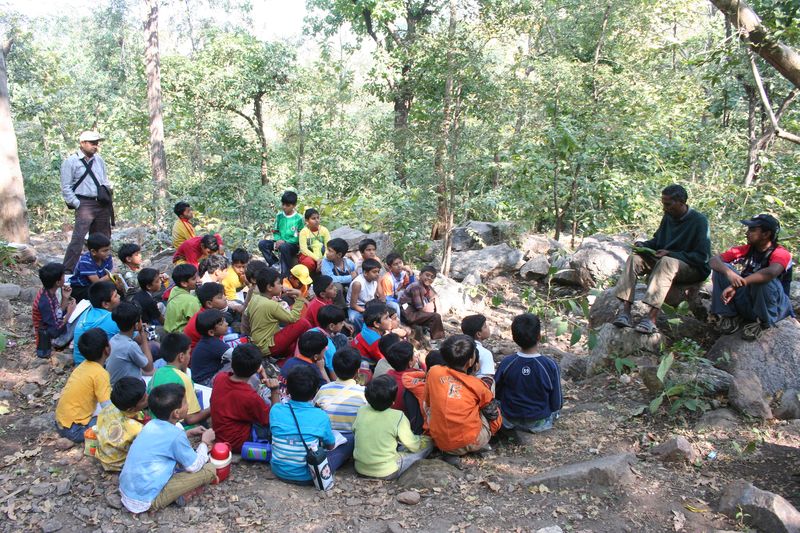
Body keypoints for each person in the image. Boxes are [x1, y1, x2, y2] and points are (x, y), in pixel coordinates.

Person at [612, 184, 711, 334]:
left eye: (668, 204)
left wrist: (671, 254)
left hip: (692, 267)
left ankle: (651, 319)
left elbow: (702, 257)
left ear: (681, 202)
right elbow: (658, 241)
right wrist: (644, 245)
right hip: (668, 260)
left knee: (666, 262)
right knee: (634, 259)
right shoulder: (668, 217)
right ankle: (625, 312)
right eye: (663, 204)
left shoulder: (699, 221)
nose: (665, 208)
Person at [119, 383, 217, 513]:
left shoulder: (150, 425)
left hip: (126, 490)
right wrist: (204, 442)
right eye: (185, 402)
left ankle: (179, 493)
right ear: (176, 413)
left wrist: (187, 433)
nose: (187, 404)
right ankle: (177, 496)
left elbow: (164, 442)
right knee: (210, 469)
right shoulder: (176, 435)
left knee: (178, 463)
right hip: (146, 500)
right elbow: (194, 466)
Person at [709, 214, 794, 340]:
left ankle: (763, 322)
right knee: (721, 269)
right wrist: (730, 274)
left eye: (752, 230)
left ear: (766, 234)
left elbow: (770, 273)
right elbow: (714, 260)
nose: (747, 233)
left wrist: (736, 284)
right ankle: (730, 316)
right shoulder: (746, 249)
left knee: (763, 281)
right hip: (750, 302)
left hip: (774, 307)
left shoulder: (781, 253)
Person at [269, 366, 348, 485]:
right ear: (315, 392)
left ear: (287, 391)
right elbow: (330, 445)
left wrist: (274, 390)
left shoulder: (275, 410)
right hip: (309, 475)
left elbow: (275, 411)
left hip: (279, 471)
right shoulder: (321, 416)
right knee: (348, 442)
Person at [426, 335, 502, 456]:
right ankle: (482, 442)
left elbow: (428, 402)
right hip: (470, 442)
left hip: (441, 441)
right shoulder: (477, 385)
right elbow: (492, 414)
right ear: (471, 361)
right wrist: (493, 430)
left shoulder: (433, 371)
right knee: (488, 394)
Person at [352, 375, 432, 479]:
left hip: (360, 468)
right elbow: (414, 446)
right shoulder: (398, 416)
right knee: (428, 444)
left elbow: (355, 431)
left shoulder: (361, 410)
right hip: (386, 471)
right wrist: (422, 439)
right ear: (393, 401)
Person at [495, 313, 562, 433]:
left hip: (509, 419)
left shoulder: (507, 363)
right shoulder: (550, 365)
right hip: (538, 421)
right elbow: (557, 402)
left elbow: (496, 392)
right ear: (539, 337)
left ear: (514, 338)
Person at [61, 130, 113, 273]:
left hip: (101, 203)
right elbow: (66, 187)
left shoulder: (99, 160)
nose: (95, 146)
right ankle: (67, 271)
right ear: (82, 143)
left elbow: (104, 179)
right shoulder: (71, 161)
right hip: (84, 203)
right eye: (92, 143)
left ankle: (102, 269)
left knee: (102, 239)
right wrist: (77, 203)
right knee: (78, 239)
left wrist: (107, 192)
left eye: (97, 143)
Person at [211, 343, 279, 453]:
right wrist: (275, 391)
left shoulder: (220, 378)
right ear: (257, 369)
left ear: (231, 363)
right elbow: (273, 420)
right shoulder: (249, 396)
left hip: (219, 434)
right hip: (238, 444)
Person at [55, 328, 112, 442]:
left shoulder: (82, 366)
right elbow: (108, 408)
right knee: (111, 422)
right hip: (75, 429)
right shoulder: (100, 374)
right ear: (106, 349)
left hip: (60, 423)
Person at [147, 333, 211, 427]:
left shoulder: (157, 373)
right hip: (179, 428)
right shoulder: (183, 378)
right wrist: (212, 408)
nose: (189, 356)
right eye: (189, 353)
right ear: (181, 356)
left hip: (156, 425)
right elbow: (190, 419)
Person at [245, 268, 310, 359]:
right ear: (269, 287)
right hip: (266, 346)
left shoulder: (255, 298)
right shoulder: (270, 304)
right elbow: (293, 318)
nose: (281, 286)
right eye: (279, 283)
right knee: (303, 323)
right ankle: (303, 355)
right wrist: (299, 297)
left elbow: (247, 314)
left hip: (257, 343)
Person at [95, 377, 148, 472]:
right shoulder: (137, 429)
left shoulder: (109, 408)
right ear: (131, 409)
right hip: (117, 463)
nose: (148, 397)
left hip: (103, 454)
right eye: (144, 399)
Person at [313, 347, 367, 434]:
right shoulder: (364, 393)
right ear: (357, 371)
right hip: (353, 437)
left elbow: (314, 409)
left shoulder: (323, 389)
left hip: (328, 437)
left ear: (334, 369)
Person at [33, 262, 76, 358]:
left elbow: (57, 314)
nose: (65, 278)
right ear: (57, 282)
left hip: (54, 329)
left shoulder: (49, 292)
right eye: (63, 276)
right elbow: (54, 331)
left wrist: (65, 298)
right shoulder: (45, 301)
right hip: (50, 339)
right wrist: (69, 313)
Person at [106, 302, 154, 385]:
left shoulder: (113, 340)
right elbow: (149, 368)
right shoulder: (130, 346)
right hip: (129, 388)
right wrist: (143, 334)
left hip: (116, 385)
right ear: (136, 325)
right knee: (160, 364)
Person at [73, 281, 121, 364]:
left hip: (79, 364)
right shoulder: (113, 319)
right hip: (100, 366)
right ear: (105, 304)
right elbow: (134, 337)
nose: (119, 297)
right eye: (116, 296)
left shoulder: (87, 311)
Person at [259, 191, 304, 277]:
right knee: (262, 244)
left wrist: (284, 241)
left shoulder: (298, 218)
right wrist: (278, 240)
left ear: (294, 205)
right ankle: (275, 264)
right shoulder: (279, 216)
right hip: (279, 242)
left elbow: (298, 236)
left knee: (284, 246)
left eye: (287, 205)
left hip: (292, 245)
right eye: (283, 204)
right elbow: (275, 231)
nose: (284, 207)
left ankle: (285, 273)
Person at [384, 342, 426, 434]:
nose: (416, 356)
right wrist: (423, 363)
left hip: (392, 420)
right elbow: (430, 375)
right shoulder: (415, 376)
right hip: (410, 423)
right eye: (413, 354)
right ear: (410, 362)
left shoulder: (388, 374)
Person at [68, 233, 122, 303]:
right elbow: (97, 283)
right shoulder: (86, 261)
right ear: (93, 252)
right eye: (105, 251)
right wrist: (110, 276)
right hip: (81, 288)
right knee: (103, 295)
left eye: (109, 250)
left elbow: (108, 275)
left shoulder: (107, 257)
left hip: (97, 284)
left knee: (118, 290)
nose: (108, 253)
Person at [399, 265, 445, 341]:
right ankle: (436, 341)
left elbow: (435, 297)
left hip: (414, 312)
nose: (429, 278)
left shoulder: (426, 287)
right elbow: (420, 308)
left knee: (434, 311)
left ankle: (436, 338)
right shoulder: (416, 287)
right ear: (420, 275)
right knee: (435, 316)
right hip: (408, 313)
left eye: (432, 277)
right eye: (427, 275)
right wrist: (432, 309)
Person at [308, 305, 350, 379]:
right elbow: (334, 376)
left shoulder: (310, 331)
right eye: (341, 323)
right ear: (331, 326)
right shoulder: (329, 347)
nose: (343, 324)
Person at [191, 310, 231, 387]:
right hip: (206, 382)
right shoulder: (214, 344)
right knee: (239, 364)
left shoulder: (206, 340)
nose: (226, 324)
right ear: (211, 332)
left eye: (225, 321)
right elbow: (237, 356)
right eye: (221, 324)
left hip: (199, 379)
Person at [183, 282, 227, 351]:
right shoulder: (208, 320)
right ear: (209, 304)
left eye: (224, 295)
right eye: (220, 297)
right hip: (195, 353)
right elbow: (217, 344)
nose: (225, 298)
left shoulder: (206, 313)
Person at [347, 258, 383, 331]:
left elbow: (381, 297)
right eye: (374, 272)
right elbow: (353, 305)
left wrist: (378, 282)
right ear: (365, 273)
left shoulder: (374, 281)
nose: (377, 274)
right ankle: (363, 334)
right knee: (355, 318)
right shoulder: (358, 284)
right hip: (357, 307)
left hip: (369, 305)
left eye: (378, 272)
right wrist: (367, 312)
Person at [352, 303, 393, 368]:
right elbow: (383, 360)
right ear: (376, 324)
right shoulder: (375, 341)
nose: (390, 320)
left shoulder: (367, 325)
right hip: (360, 365)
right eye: (386, 318)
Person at [460, 314, 496, 389]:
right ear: (479, 334)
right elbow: (488, 381)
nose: (488, 327)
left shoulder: (459, 347)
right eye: (485, 326)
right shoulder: (486, 354)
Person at [164, 264, 200, 333]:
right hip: (181, 335)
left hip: (169, 333)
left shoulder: (174, 290)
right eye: (194, 279)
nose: (198, 280)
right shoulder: (191, 301)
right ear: (184, 283)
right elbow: (199, 321)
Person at [320, 238, 357, 307]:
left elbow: (356, 274)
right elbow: (330, 278)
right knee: (337, 287)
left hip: (348, 292)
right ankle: (340, 308)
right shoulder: (325, 262)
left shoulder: (348, 263)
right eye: (327, 250)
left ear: (339, 255)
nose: (326, 253)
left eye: (330, 251)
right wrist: (350, 277)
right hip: (334, 294)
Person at [380, 253, 414, 317]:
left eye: (400, 262)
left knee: (413, 297)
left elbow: (412, 287)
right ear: (390, 267)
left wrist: (411, 273)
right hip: (389, 301)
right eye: (395, 264)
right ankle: (399, 321)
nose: (399, 266)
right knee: (396, 306)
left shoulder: (403, 274)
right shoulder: (387, 279)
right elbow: (387, 298)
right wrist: (400, 302)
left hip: (399, 298)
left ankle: (411, 317)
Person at [298, 208, 330, 273]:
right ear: (307, 220)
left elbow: (328, 246)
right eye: (313, 218)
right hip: (310, 256)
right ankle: (310, 276)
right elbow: (304, 249)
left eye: (318, 218)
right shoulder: (304, 232)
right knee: (308, 263)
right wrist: (317, 259)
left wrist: (324, 260)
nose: (317, 220)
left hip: (324, 256)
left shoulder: (324, 230)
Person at [221, 248, 249, 312]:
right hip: (229, 298)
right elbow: (231, 299)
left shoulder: (246, 271)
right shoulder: (230, 278)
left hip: (238, 293)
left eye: (243, 266)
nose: (241, 270)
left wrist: (246, 281)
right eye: (238, 267)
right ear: (232, 264)